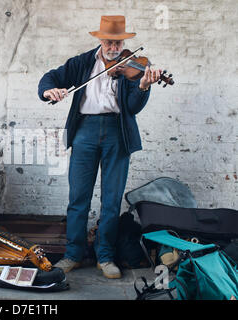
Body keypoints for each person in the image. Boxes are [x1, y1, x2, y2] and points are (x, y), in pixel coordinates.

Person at [38, 16, 162, 278]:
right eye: (109, 41)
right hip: (84, 131)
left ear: (123, 42)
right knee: (78, 197)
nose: (114, 47)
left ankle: (105, 256)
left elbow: (132, 108)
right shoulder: (83, 62)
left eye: (118, 42)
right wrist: (50, 90)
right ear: (100, 40)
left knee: (111, 199)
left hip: (118, 132)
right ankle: (73, 254)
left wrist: (142, 86)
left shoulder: (132, 65)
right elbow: (51, 77)